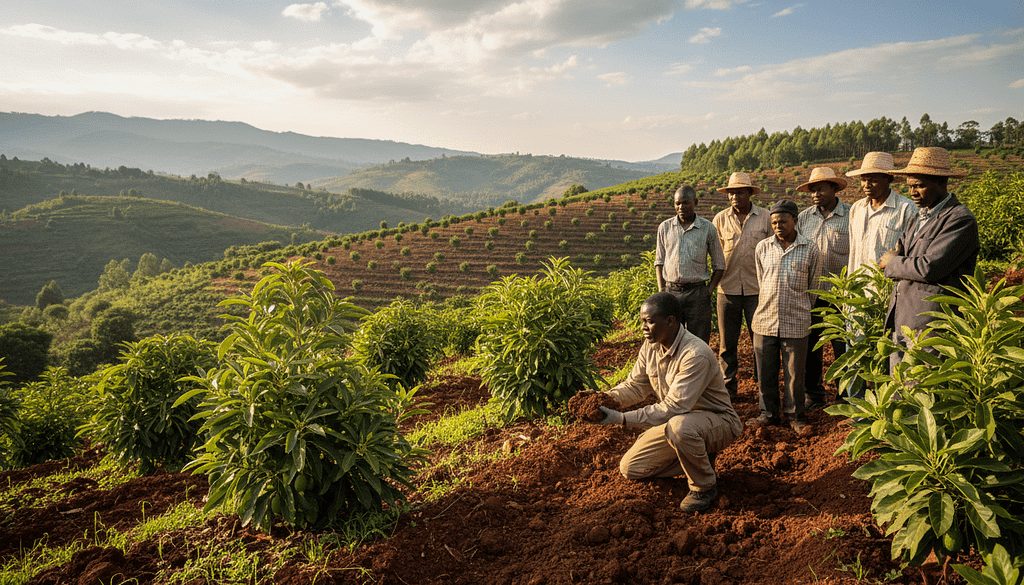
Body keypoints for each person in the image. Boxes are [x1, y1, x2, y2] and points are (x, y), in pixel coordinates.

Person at [593, 292, 742, 513]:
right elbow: (635, 385)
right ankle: (698, 456)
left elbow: (673, 407)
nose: (643, 327)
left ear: (670, 321)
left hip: (716, 422)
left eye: (649, 321)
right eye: (642, 321)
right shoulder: (651, 346)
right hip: (678, 424)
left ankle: (703, 487)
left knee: (680, 427)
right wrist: (602, 399)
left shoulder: (695, 354)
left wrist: (622, 419)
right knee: (631, 468)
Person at [880, 147, 978, 365]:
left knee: (924, 389)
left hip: (931, 325)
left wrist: (893, 263)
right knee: (900, 390)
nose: (913, 192)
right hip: (902, 318)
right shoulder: (918, 217)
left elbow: (929, 268)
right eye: (910, 187)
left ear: (942, 182)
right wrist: (901, 261)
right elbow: (901, 251)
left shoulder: (960, 220)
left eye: (920, 186)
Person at [748, 200, 821, 434]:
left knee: (794, 375)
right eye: (774, 222)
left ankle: (795, 416)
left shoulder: (810, 248)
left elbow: (813, 288)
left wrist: (800, 309)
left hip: (796, 321)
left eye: (783, 221)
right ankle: (768, 414)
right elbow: (761, 282)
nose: (778, 226)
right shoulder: (762, 248)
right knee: (765, 373)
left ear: (795, 221)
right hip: (764, 320)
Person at [712, 172, 773, 398]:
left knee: (760, 341)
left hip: (758, 290)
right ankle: (728, 388)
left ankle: (763, 387)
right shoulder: (719, 219)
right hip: (726, 291)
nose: (735, 197)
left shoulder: (765, 217)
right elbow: (715, 253)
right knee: (727, 344)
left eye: (739, 192)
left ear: (750, 193)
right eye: (731, 193)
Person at [795, 167, 851, 411]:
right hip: (811, 294)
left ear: (834, 189)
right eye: (812, 190)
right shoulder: (804, 218)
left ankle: (845, 395)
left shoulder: (852, 214)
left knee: (842, 346)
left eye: (820, 189)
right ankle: (814, 395)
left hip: (841, 294)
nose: (815, 194)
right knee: (811, 348)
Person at [655, 184, 726, 343]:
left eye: (685, 202)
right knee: (671, 340)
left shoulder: (707, 228)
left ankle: (697, 368)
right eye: (677, 203)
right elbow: (659, 262)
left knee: (698, 342)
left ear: (695, 202)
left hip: (697, 294)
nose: (681, 207)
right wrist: (662, 290)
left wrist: (708, 291)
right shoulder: (665, 228)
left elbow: (719, 265)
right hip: (671, 292)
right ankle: (676, 369)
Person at [845, 152, 916, 272]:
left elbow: (912, 254)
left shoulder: (907, 209)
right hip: (857, 285)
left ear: (888, 179)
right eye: (863, 180)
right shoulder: (856, 208)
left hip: (885, 286)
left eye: (873, 180)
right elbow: (853, 250)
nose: (866, 185)